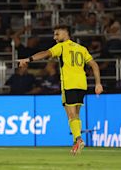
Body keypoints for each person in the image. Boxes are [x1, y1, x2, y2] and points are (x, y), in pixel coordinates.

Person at [18, 25, 103, 155]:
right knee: (75, 115)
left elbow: (45, 53)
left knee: (71, 114)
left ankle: (78, 140)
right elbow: (94, 65)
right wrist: (98, 83)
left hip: (69, 84)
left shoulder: (62, 46)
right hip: (81, 84)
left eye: (57, 34)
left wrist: (28, 59)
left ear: (66, 33)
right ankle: (76, 142)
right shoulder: (81, 48)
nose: (55, 37)